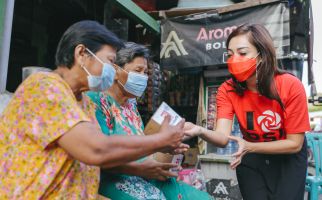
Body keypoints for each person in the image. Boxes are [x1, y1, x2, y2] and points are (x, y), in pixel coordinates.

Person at [0, 20, 187, 199]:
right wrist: (160, 140)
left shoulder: (83, 101)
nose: (112, 71)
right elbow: (96, 150)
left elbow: (105, 152)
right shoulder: (45, 87)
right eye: (110, 61)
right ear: (82, 53)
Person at [184, 24, 310, 200]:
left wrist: (250, 146)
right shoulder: (226, 90)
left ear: (262, 55)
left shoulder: (290, 85)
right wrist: (199, 130)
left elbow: (294, 143)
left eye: (242, 53)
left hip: (287, 158)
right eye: (230, 54)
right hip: (252, 156)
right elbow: (221, 137)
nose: (234, 59)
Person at [83, 42, 212, 200]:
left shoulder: (131, 105)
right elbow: (98, 156)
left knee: (202, 198)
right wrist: (140, 168)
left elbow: (142, 151)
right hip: (114, 178)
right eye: (138, 71)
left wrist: (166, 149)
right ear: (116, 70)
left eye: (145, 72)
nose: (143, 77)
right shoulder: (95, 101)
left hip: (145, 174)